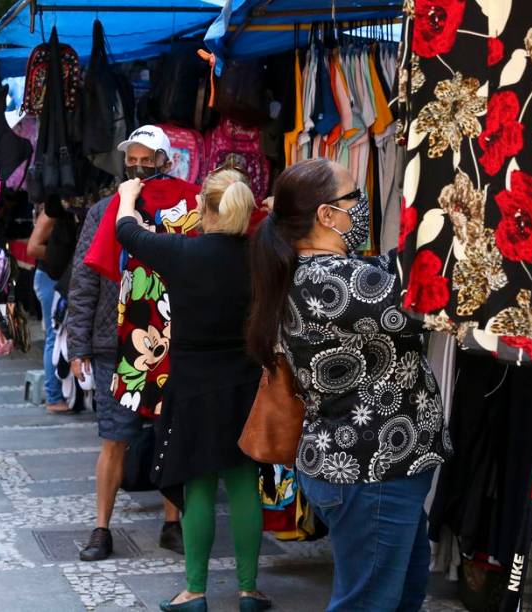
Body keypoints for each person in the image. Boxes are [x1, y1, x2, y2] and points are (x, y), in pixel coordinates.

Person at [245, 158, 451, 612]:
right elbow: (429, 294)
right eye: (353, 197)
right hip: (370, 467)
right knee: (368, 602)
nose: (361, 206)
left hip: (369, 465)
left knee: (398, 593)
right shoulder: (335, 281)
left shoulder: (322, 272)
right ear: (325, 215)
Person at [116, 169, 268, 612]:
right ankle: (248, 591)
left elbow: (127, 231)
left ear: (203, 209)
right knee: (243, 484)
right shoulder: (260, 253)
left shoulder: (182, 252)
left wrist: (128, 195)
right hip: (244, 381)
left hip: (193, 384)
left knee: (198, 483)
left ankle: (195, 592)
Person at [67, 128, 185, 563]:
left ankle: (173, 522)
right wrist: (77, 342)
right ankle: (101, 528)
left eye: (146, 159)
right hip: (110, 342)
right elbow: (83, 278)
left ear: (165, 163)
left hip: (168, 338)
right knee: (114, 437)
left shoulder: (180, 209)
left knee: (171, 433)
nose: (137, 167)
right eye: (131, 159)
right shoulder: (104, 211)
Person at [27, 197, 71, 413]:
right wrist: (65, 256)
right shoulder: (51, 211)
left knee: (59, 335)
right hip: (50, 278)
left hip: (57, 277)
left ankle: (60, 393)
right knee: (54, 335)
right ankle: (53, 397)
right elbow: (32, 247)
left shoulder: (67, 209)